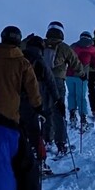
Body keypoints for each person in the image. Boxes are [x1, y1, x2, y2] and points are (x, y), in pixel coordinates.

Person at [21, 32, 54, 162]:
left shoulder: (19, 60)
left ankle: (22, 159)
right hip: (35, 101)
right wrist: (57, 99)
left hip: (17, 100)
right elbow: (50, 81)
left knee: (20, 130)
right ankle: (40, 160)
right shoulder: (40, 61)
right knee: (35, 131)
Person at [44, 24, 75, 154]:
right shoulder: (64, 47)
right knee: (59, 111)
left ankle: (47, 140)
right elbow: (75, 62)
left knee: (45, 110)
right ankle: (61, 144)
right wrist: (82, 74)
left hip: (43, 81)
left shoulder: (42, 44)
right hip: (58, 81)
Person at [65, 34, 93, 134]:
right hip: (82, 76)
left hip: (69, 75)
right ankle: (83, 120)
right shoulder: (91, 48)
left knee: (71, 95)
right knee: (81, 97)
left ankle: (72, 116)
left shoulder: (73, 46)